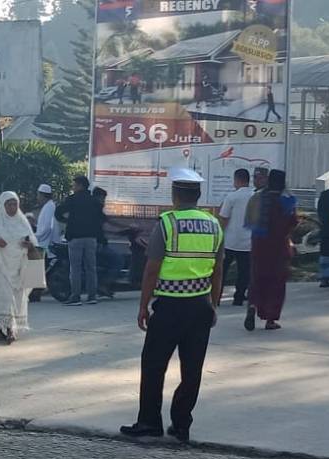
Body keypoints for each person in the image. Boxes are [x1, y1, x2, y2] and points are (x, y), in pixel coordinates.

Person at [121, 168, 223, 443]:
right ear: (199, 195)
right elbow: (218, 269)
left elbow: (151, 269)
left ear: (175, 195)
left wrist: (143, 306)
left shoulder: (167, 224)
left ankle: (149, 423)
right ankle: (181, 425)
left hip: (169, 306)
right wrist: (213, 304)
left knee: (154, 364)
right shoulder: (213, 225)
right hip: (200, 306)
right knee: (192, 370)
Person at [0, 191, 38, 343]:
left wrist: (29, 245)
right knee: (4, 298)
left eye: (14, 204)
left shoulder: (22, 221)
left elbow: (33, 242)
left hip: (18, 268)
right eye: (9, 204)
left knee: (16, 298)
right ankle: (10, 329)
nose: (12, 207)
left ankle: (0, 329)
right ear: (3, 205)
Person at [244, 169, 298, 331]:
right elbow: (292, 222)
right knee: (276, 282)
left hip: (259, 245)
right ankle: (270, 319)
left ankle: (252, 305)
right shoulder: (286, 200)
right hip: (278, 246)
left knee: (257, 278)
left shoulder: (258, 197)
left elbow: (249, 220)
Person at [55, 175, 104, 306]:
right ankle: (92, 296)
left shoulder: (72, 199)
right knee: (91, 267)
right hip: (91, 238)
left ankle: (75, 296)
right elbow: (100, 219)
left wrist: (67, 221)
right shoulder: (94, 201)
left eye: (74, 185)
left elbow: (58, 212)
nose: (73, 187)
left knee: (75, 268)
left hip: (75, 237)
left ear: (80, 185)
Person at [218, 168, 254, 306]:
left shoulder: (232, 197)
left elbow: (224, 217)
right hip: (248, 242)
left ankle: (217, 296)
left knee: (222, 269)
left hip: (230, 241)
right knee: (244, 271)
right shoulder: (254, 196)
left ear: (236, 180)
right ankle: (239, 297)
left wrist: (220, 233)